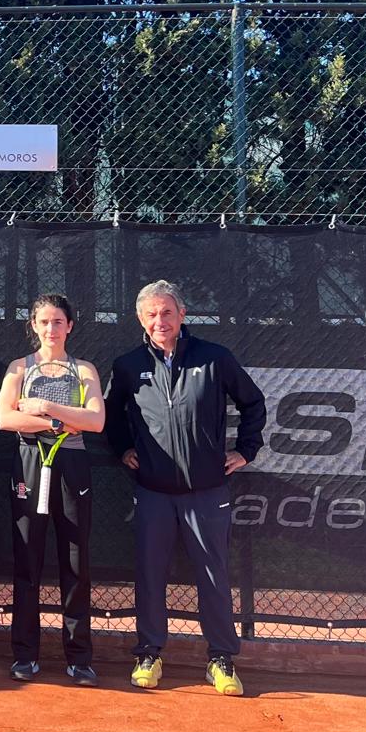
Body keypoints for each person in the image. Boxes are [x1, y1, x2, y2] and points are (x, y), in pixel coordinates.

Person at [105, 279, 265, 696]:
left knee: (213, 574)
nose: (160, 320)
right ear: (141, 319)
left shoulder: (215, 358)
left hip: (208, 490)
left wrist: (245, 451)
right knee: (150, 574)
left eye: (167, 312)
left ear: (182, 316)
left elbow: (254, 403)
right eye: (151, 314)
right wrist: (122, 449)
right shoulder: (127, 365)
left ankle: (220, 659)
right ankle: (149, 652)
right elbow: (111, 414)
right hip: (153, 490)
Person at [0, 293, 105, 685]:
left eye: (58, 321)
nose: (51, 329)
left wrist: (43, 408)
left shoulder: (85, 369)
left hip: (72, 468)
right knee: (28, 562)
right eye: (44, 321)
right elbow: (4, 418)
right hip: (28, 463)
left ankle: (79, 659)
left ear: (69, 326)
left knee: (76, 563)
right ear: (34, 326)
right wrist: (60, 422)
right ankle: (25, 655)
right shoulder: (18, 368)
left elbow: (95, 420)